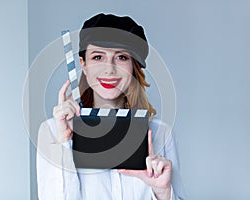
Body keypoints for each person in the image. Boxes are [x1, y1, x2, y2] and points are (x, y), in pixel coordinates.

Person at [36, 13, 185, 200]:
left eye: (121, 57)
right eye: (98, 57)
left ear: (133, 66)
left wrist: (163, 192)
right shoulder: (51, 131)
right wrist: (65, 141)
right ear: (83, 64)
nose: (109, 69)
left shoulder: (161, 133)